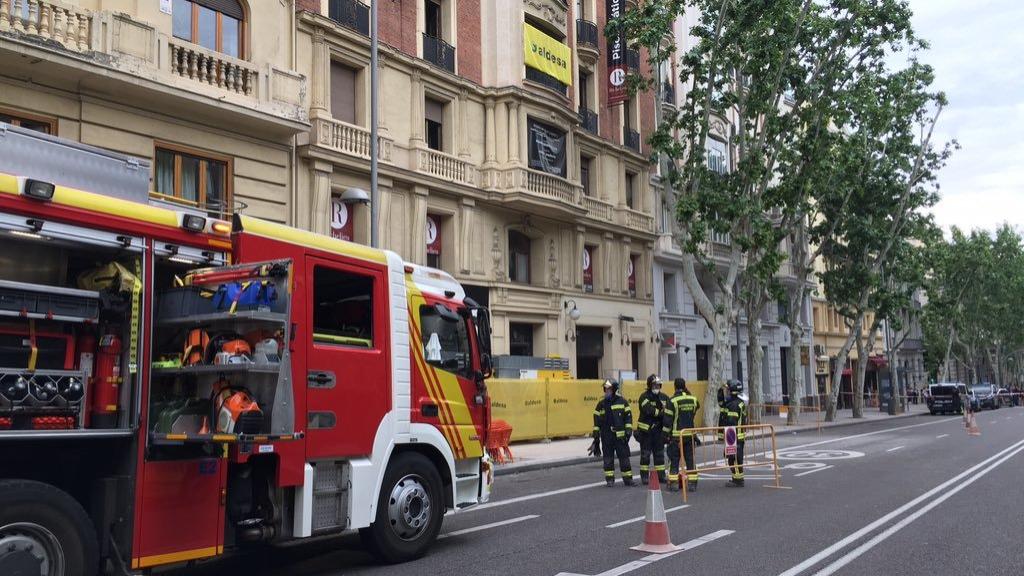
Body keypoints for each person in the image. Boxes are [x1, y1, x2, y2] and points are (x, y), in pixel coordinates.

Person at [590, 379, 635, 487]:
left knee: (624, 459)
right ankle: (609, 479)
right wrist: (596, 439)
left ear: (614, 389)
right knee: (608, 459)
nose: (606, 391)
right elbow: (596, 422)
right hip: (607, 436)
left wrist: (628, 432)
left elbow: (628, 418)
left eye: (609, 389)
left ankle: (628, 479)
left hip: (620, 437)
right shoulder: (601, 404)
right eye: (605, 389)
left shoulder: (623, 402)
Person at [663, 378, 700, 492]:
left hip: (676, 436)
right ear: (685, 386)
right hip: (689, 435)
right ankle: (692, 483)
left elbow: (667, 421)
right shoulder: (693, 399)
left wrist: (664, 436)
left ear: (674, 387)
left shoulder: (672, 401)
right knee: (690, 460)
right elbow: (695, 408)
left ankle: (674, 484)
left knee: (674, 460)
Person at [636, 374, 670, 485]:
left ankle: (661, 476)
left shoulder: (664, 397)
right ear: (650, 385)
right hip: (646, 432)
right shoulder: (644, 397)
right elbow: (648, 410)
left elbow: (669, 411)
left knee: (659, 455)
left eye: (658, 385)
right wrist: (660, 413)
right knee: (645, 455)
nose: (657, 387)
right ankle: (644, 477)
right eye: (654, 385)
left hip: (659, 432)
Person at [718, 379, 747, 487]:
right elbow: (722, 404)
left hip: (733, 436)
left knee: (734, 459)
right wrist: (720, 392)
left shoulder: (733, 405)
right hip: (735, 436)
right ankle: (737, 478)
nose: (727, 391)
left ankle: (738, 480)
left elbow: (731, 421)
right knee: (733, 458)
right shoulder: (734, 402)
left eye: (728, 389)